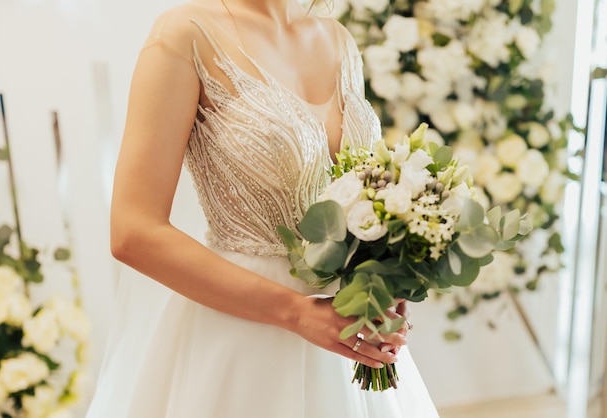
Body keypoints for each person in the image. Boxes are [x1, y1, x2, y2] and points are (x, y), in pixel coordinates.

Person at [86, 0, 439, 417]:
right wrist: (296, 313)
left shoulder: (336, 38)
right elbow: (133, 232)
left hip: (349, 334)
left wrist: (385, 275)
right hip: (243, 337)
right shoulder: (185, 34)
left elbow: (354, 192)